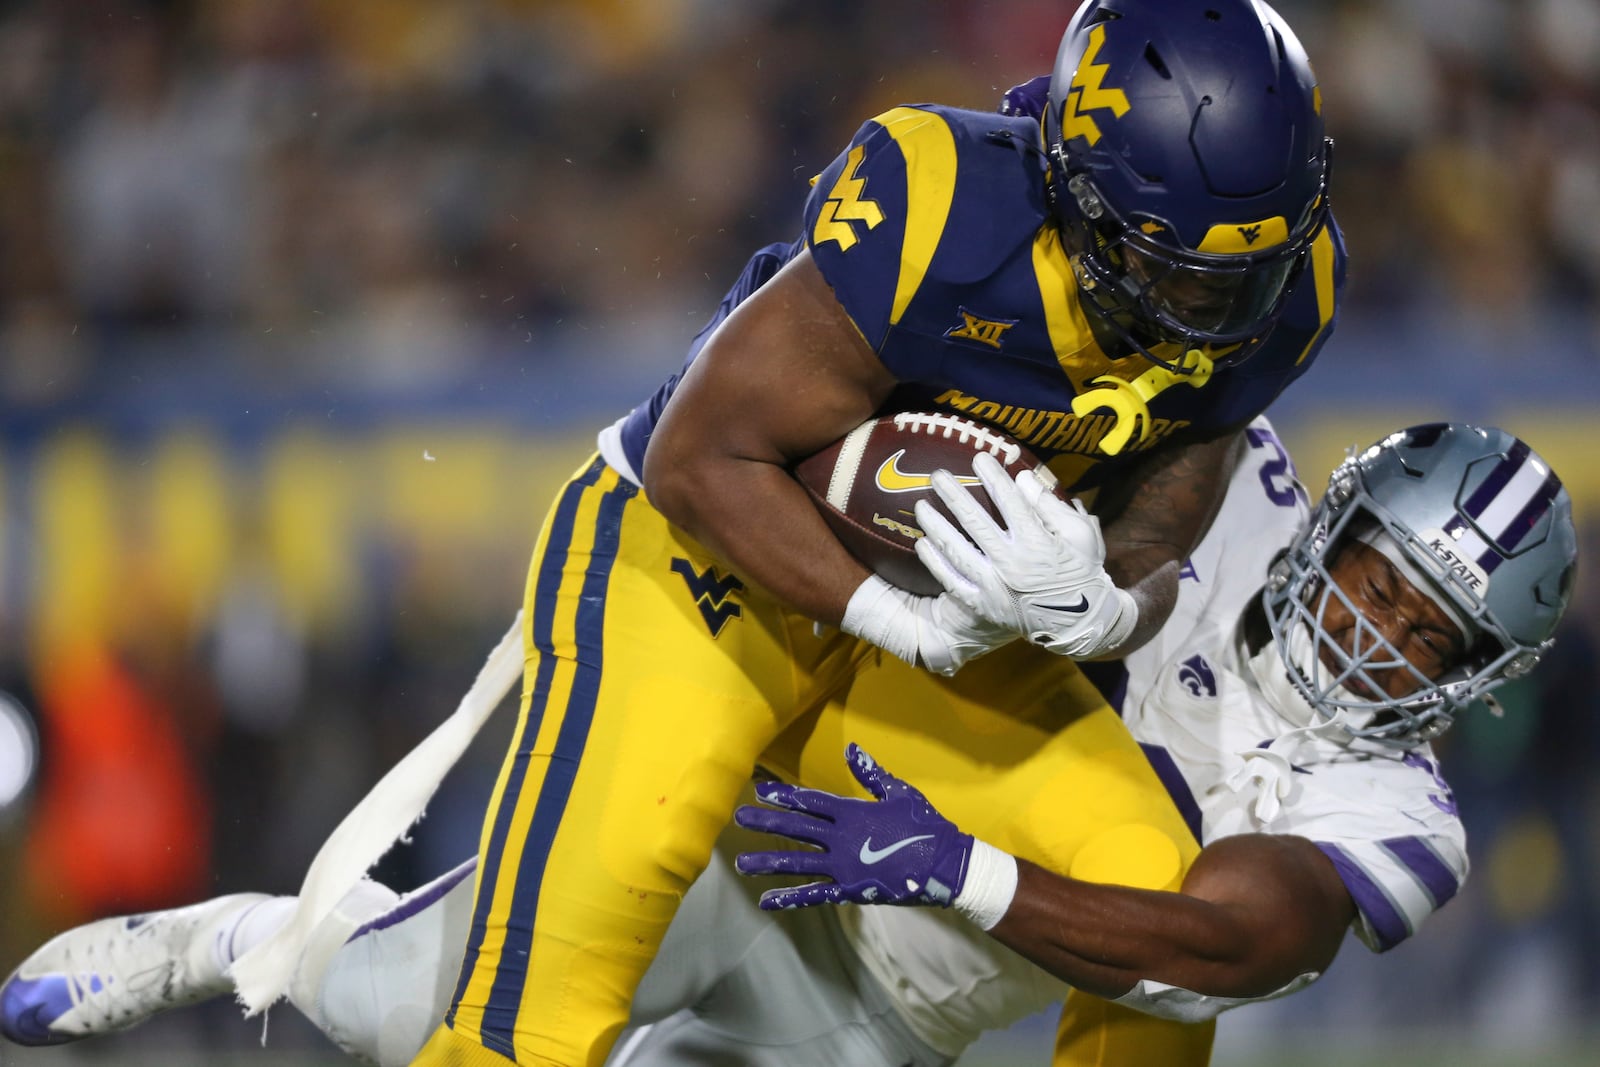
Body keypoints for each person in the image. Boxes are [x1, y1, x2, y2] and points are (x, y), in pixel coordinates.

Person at [3, 2, 1345, 1064]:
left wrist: (1114, 602)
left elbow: (1192, 453)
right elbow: (707, 457)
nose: (1207, 304)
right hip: (704, 572)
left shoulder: (1281, 282)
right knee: (502, 1026)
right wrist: (902, 621)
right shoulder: (942, 211)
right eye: (1172, 265)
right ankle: (243, 944)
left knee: (1158, 914)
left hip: (949, 639)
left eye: (1241, 267)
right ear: (1072, 195)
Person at [4, 420, 1573, 1067]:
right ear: (1340, 522)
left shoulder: (1400, 814)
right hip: (777, 833)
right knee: (391, 1005)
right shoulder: (1222, 475)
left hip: (893, 1016)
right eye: (1380, 578)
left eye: (1431, 631)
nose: (1379, 632)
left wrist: (963, 874)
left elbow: (1230, 945)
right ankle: (234, 936)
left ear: (1479, 676)